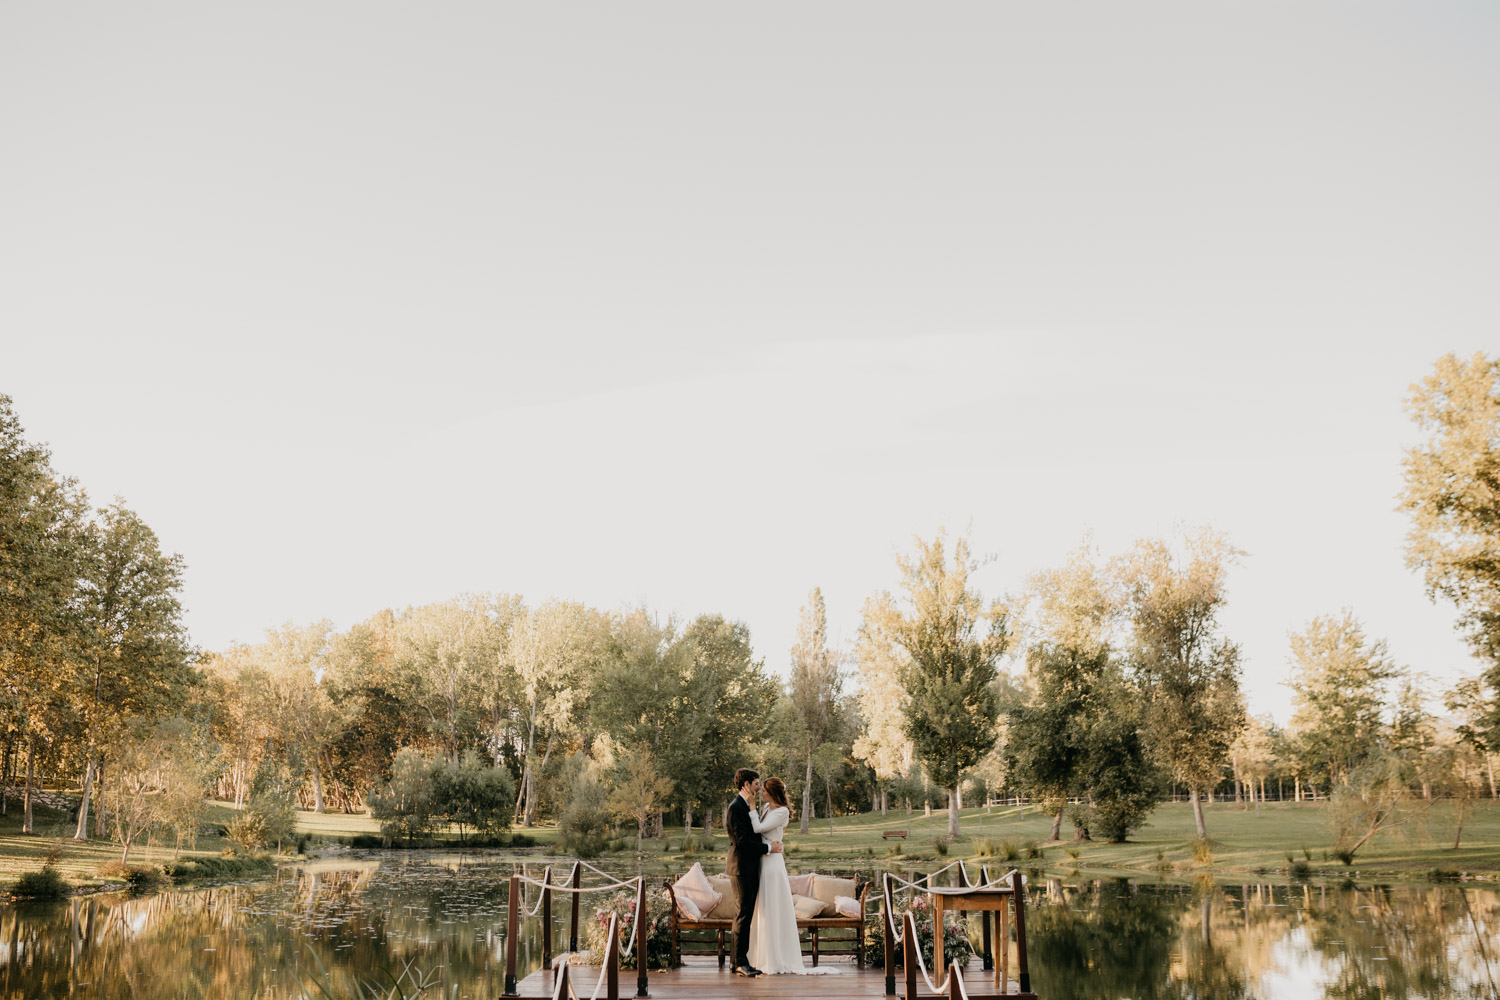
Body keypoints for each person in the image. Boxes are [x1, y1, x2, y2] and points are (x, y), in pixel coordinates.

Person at [747, 777, 839, 975]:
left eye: (763, 790)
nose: (760, 793)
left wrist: (751, 806)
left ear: (772, 793)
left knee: (772, 906)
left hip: (773, 865)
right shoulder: (765, 809)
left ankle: (776, 959)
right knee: (763, 907)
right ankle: (761, 957)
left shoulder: (782, 811)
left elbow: (759, 828)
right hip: (763, 859)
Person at [725, 768, 782, 978]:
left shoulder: (745, 806)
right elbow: (742, 842)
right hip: (741, 868)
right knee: (743, 914)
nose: (759, 788)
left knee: (743, 915)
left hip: (748, 868)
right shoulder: (735, 807)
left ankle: (736, 962)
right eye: (757, 783)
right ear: (747, 785)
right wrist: (768, 849)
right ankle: (741, 963)